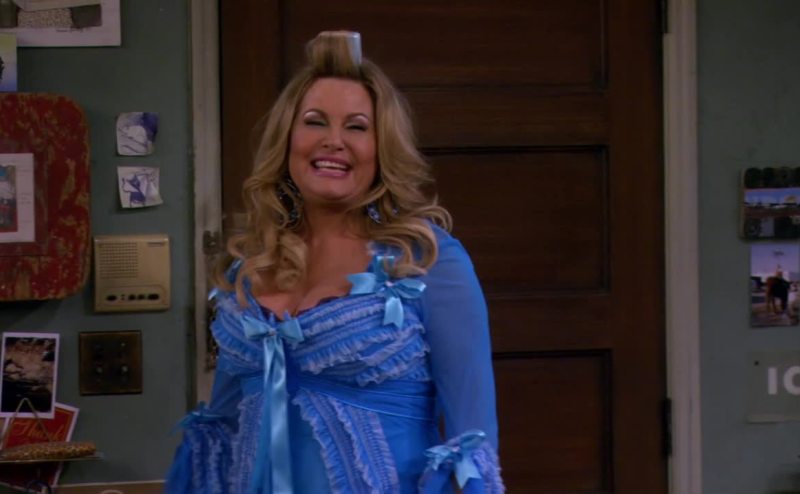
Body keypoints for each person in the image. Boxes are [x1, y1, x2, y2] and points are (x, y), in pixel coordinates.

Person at [166, 31, 504, 494]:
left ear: (382, 148)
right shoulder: (248, 267)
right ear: (287, 140)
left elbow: (472, 439)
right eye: (315, 122)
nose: (333, 141)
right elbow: (221, 434)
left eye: (357, 127)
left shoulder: (427, 260)